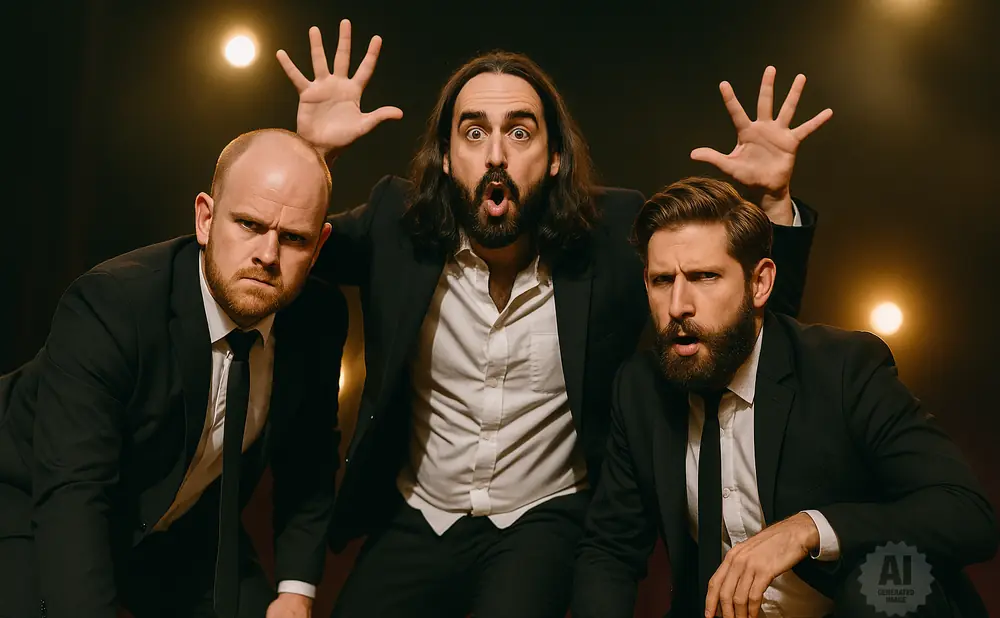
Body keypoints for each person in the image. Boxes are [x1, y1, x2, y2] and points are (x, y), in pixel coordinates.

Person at [276, 21, 827, 618]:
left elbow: (750, 325)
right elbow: (284, 254)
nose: (495, 153)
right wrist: (311, 156)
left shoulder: (614, 234)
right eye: (473, 132)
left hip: (544, 519)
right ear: (444, 157)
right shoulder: (394, 220)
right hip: (416, 514)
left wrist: (773, 201)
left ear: (557, 157)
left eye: (519, 131)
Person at [572, 177, 999, 618]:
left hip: (863, 606)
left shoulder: (843, 367)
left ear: (760, 283)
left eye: (704, 277)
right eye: (662, 280)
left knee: (890, 583)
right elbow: (610, 548)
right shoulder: (640, 388)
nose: (678, 304)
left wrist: (809, 529)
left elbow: (966, 514)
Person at [0, 129, 348, 618]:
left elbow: (309, 462)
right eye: (248, 224)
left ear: (319, 245)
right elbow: (73, 494)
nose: (268, 256)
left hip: (177, 524)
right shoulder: (112, 304)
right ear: (205, 219)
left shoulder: (319, 317)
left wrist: (295, 591)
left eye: (293, 238)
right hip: (31, 499)